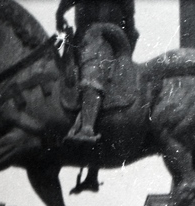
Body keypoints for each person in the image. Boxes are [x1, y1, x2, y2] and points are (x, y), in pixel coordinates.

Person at [57, 0, 138, 148]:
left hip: (105, 32)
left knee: (91, 73)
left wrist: (60, 13)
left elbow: (129, 18)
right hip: (84, 34)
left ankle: (87, 128)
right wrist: (60, 14)